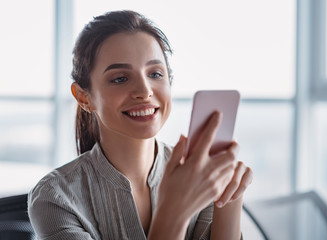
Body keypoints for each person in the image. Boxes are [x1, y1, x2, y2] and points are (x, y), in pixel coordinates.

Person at [28, 10, 253, 240]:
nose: (145, 91)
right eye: (120, 78)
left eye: (155, 74)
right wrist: (173, 211)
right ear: (84, 97)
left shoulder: (196, 175)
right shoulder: (55, 199)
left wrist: (229, 200)